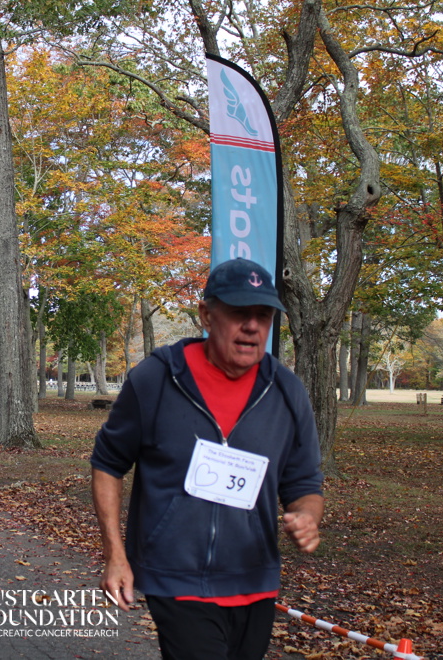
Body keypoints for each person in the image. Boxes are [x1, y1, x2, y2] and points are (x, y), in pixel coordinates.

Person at [91, 258, 324, 660]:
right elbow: (108, 463)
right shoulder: (157, 379)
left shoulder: (287, 392)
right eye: (239, 313)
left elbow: (304, 482)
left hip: (255, 579)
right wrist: (115, 554)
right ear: (206, 315)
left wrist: (307, 516)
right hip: (176, 577)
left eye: (263, 316)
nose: (252, 326)